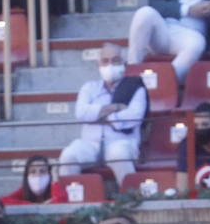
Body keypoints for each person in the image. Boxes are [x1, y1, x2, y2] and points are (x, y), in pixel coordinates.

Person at [58, 42, 147, 182]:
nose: (110, 65)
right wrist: (116, 107)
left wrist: (97, 116)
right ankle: (67, 200)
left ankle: (132, 197)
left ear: (124, 63)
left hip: (121, 142)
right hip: (90, 143)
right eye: (105, 61)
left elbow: (134, 117)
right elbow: (81, 113)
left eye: (115, 60)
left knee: (119, 155)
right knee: (68, 155)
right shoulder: (89, 88)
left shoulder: (136, 87)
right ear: (98, 65)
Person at [1, 155, 77, 204]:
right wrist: (35, 205)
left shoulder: (55, 189)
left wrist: (55, 176)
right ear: (27, 175)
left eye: (42, 171)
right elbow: (2, 201)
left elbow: (60, 202)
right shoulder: (24, 190)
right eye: (33, 172)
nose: (38, 176)